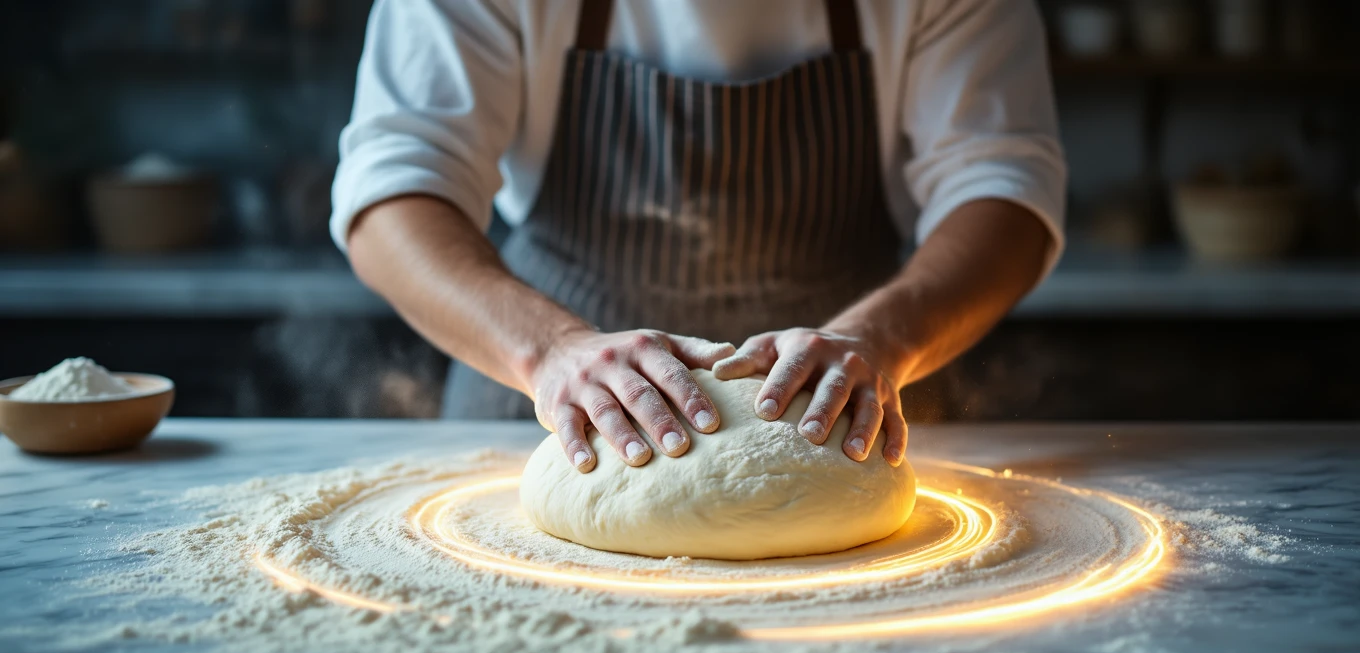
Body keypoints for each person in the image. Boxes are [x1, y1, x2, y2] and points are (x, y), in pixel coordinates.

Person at [333, 0, 1065, 473]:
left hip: (843, 402)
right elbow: (391, 193)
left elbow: (1002, 191)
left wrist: (883, 339)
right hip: (553, 404)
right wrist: (552, 351)